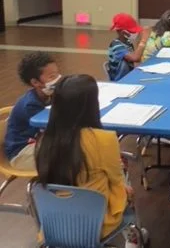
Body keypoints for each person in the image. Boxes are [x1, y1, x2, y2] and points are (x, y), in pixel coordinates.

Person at [35, 75, 147, 248]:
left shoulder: (45, 140)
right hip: (95, 222)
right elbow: (116, 179)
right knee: (126, 186)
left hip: (54, 224)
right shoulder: (103, 139)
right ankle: (133, 238)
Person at [4, 52, 61, 171]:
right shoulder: (30, 105)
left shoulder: (48, 95)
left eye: (57, 74)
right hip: (21, 153)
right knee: (71, 157)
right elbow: (55, 127)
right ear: (35, 82)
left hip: (40, 142)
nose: (58, 79)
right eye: (52, 77)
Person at [108, 13, 149, 81]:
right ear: (123, 32)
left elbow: (137, 59)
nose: (135, 33)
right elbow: (135, 58)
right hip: (120, 80)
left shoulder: (128, 42)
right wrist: (143, 40)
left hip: (128, 75)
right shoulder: (117, 46)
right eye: (132, 31)